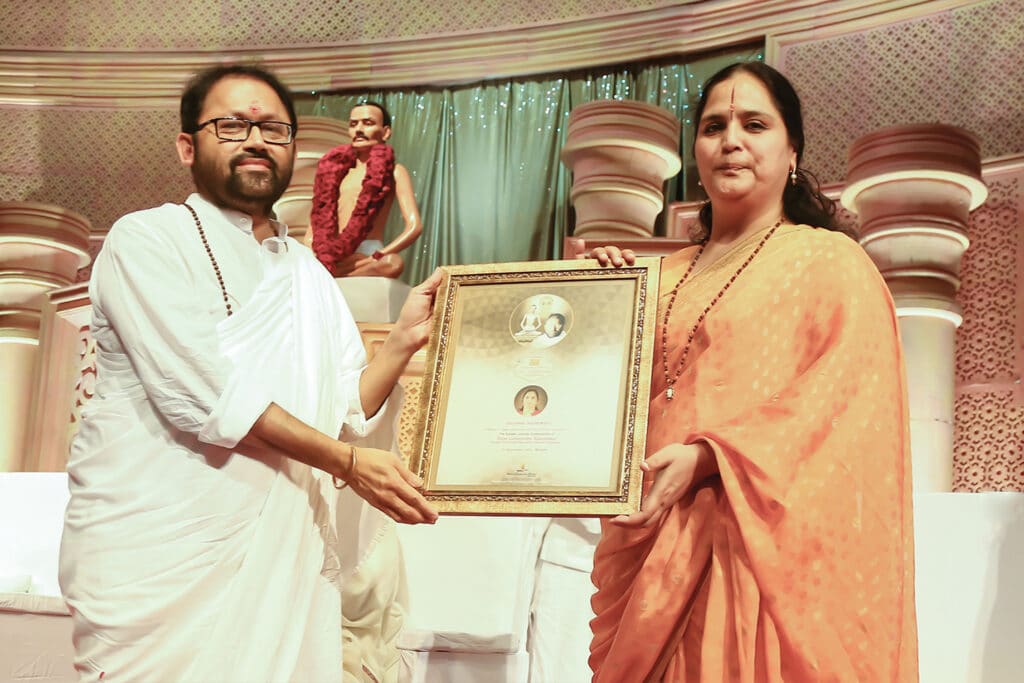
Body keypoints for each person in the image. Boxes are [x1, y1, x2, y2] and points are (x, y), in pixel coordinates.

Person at [58, 64, 439, 683]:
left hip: (286, 550)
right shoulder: (147, 239)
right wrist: (347, 464)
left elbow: (345, 409)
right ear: (188, 146)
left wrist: (400, 344)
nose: (256, 140)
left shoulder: (309, 274)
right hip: (164, 552)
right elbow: (210, 397)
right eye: (232, 125)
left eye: (274, 129)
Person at [586, 62, 918, 681]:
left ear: (792, 151)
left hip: (753, 548)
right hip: (651, 535)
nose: (731, 140)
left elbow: (842, 402)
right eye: (714, 126)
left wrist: (709, 456)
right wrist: (599, 299)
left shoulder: (829, 262)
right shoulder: (657, 275)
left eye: (754, 125)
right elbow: (602, 395)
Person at [307, 101, 423, 278]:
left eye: (368, 123)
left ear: (386, 132)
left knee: (393, 263)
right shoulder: (336, 173)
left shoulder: (394, 171)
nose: (359, 129)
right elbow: (315, 225)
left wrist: (379, 255)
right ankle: (331, 271)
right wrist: (312, 252)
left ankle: (337, 274)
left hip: (369, 255)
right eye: (353, 124)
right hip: (331, 254)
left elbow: (414, 227)